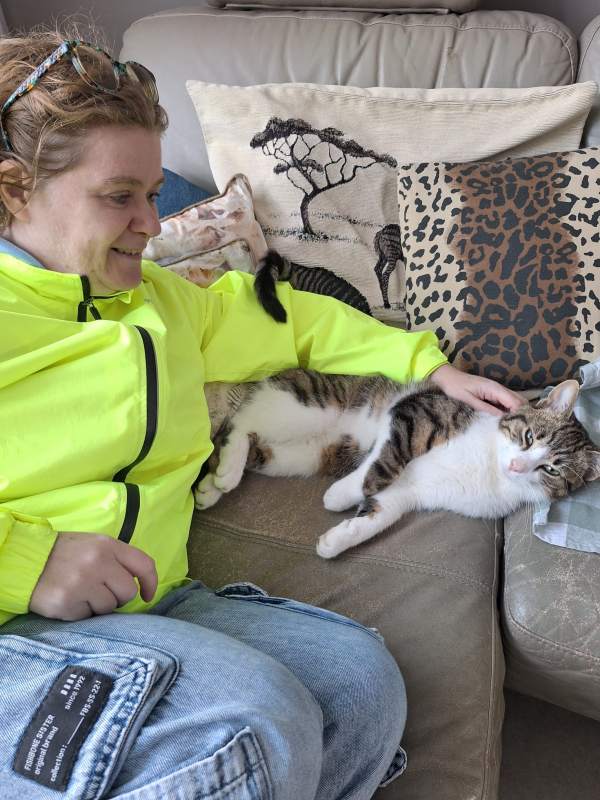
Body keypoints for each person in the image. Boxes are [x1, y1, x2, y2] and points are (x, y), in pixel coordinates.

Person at [0, 27, 523, 800]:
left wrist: (429, 367)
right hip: (17, 626)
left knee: (360, 685)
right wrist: (27, 562)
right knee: (256, 719)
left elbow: (291, 320)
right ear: (14, 188)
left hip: (148, 604)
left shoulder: (162, 303)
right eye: (119, 196)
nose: (151, 224)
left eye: (153, 194)